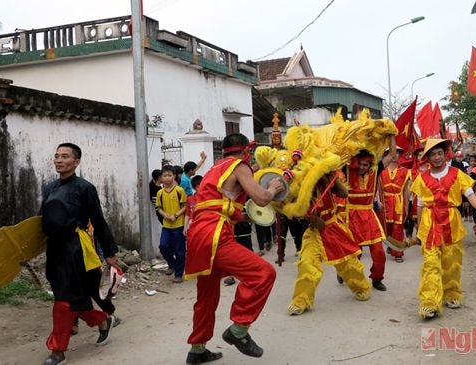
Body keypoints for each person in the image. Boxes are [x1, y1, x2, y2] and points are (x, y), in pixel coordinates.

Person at [184, 133, 285, 364]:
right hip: (215, 232)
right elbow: (261, 198)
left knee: (207, 295)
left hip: (199, 234)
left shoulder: (215, 169)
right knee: (263, 273)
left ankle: (197, 349)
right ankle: (238, 330)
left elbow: (221, 206)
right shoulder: (239, 165)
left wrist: (248, 215)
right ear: (246, 152)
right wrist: (272, 188)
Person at [40, 143, 119, 365]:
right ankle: (103, 320)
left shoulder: (85, 188)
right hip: (54, 249)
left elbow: (99, 220)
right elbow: (39, 222)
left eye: (64, 156)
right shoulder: (49, 188)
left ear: (76, 162)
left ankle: (57, 350)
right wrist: (25, 250)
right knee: (71, 298)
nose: (58, 160)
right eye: (56, 156)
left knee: (64, 300)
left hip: (76, 248)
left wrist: (109, 252)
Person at [410, 139, 476, 320]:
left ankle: (452, 293)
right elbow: (419, 205)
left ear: (445, 154)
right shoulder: (421, 178)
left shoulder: (457, 174)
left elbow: (470, 194)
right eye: (432, 154)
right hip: (429, 223)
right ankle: (429, 303)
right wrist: (419, 229)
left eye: (439, 153)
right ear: (427, 157)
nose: (436, 158)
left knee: (451, 262)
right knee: (430, 264)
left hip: (452, 222)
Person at [287, 172, 372, 316]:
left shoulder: (325, 178)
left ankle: (361, 288)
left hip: (334, 228)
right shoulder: (298, 186)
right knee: (307, 264)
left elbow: (344, 194)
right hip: (313, 232)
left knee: (348, 264)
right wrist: (311, 218)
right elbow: (293, 209)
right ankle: (300, 300)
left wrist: (331, 177)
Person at [345, 136, 396, 291]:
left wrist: (392, 134)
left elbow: (392, 155)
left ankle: (376, 278)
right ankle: (347, 273)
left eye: (365, 164)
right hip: (351, 215)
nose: (362, 167)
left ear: (370, 164)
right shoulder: (346, 169)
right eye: (359, 164)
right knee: (355, 253)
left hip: (368, 214)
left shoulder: (376, 170)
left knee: (379, 252)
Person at [379, 147, 411, 263]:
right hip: (385, 202)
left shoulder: (405, 171)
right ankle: (390, 245)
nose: (395, 155)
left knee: (398, 228)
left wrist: (407, 206)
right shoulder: (381, 171)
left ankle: (398, 253)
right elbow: (377, 189)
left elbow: (406, 191)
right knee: (386, 228)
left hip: (398, 202)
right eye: (392, 153)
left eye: (397, 153)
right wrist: (379, 201)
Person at [156, 165, 187, 283]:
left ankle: (179, 274)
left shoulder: (180, 190)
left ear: (174, 176)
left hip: (178, 225)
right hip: (166, 225)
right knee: (163, 246)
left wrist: (176, 215)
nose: (167, 178)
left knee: (179, 251)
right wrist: (165, 215)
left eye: (170, 175)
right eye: (165, 175)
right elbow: (158, 208)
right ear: (161, 178)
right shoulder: (160, 193)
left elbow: (185, 206)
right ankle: (172, 264)